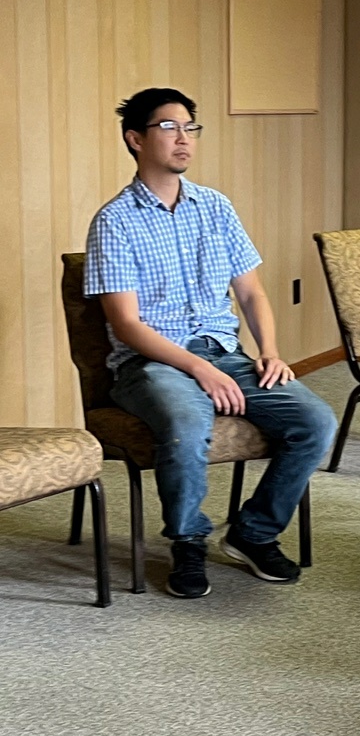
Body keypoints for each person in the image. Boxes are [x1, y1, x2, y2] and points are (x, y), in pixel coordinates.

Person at [84, 88, 337, 599]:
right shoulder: (114, 221)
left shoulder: (216, 207)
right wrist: (200, 370)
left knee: (315, 421)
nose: (183, 138)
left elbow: (251, 292)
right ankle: (188, 542)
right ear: (135, 139)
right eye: (168, 127)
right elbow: (127, 325)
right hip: (150, 363)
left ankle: (253, 533)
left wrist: (269, 351)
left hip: (225, 353)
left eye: (190, 128)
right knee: (186, 424)